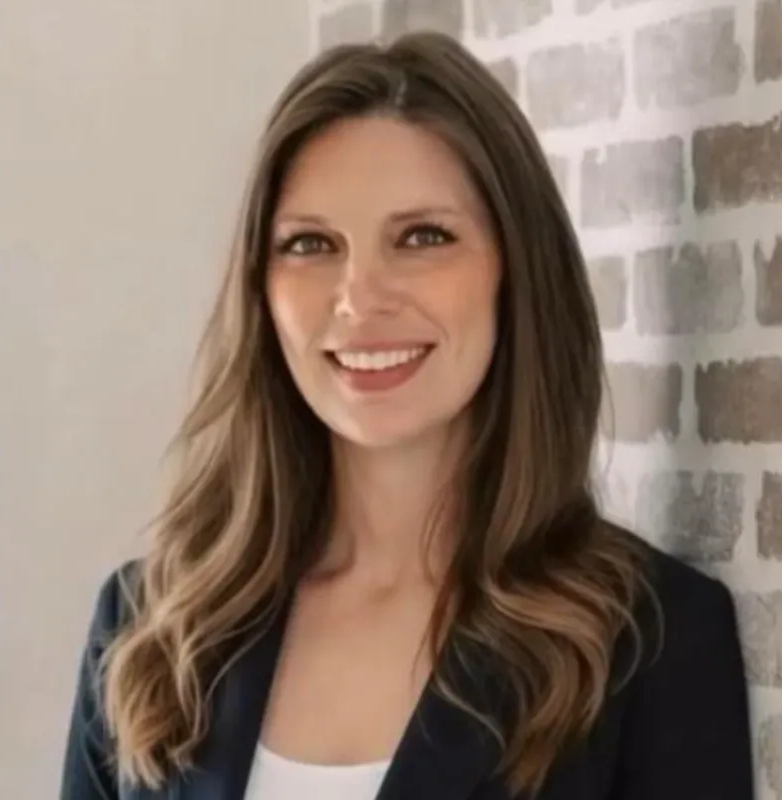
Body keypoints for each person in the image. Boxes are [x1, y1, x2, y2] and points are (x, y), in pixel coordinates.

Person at [60, 31, 754, 800]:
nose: (359, 299)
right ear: (261, 290)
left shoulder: (651, 643)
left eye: (423, 237)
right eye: (310, 244)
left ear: (515, 272)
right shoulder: (149, 629)